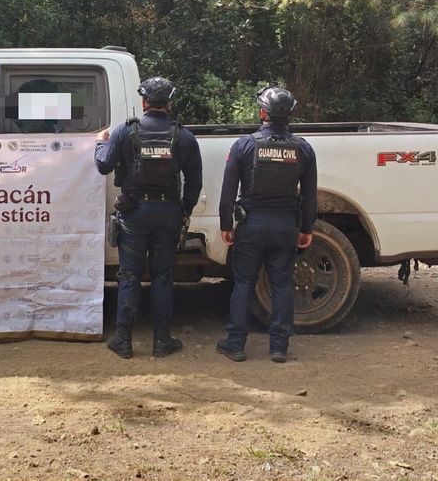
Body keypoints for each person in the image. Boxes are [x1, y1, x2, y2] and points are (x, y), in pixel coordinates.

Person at [94, 76, 202, 359]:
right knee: (163, 276)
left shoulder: (124, 131)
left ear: (144, 102)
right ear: (169, 103)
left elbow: (103, 165)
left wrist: (99, 143)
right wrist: (184, 210)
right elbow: (194, 182)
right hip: (168, 214)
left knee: (129, 275)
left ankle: (123, 341)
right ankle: (161, 341)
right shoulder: (184, 137)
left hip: (134, 214)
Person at [215, 86, 317, 363]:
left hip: (251, 225)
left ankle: (235, 344)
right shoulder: (303, 149)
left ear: (263, 113)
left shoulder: (244, 146)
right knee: (282, 284)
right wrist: (307, 228)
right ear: (289, 115)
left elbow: (228, 192)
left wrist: (226, 224)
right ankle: (279, 347)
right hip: (285, 226)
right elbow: (309, 196)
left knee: (244, 283)